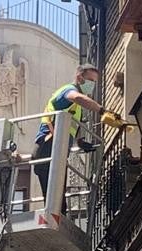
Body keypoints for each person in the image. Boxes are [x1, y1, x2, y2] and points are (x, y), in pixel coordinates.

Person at [33, 63, 118, 215]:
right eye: (90, 81)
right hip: (48, 143)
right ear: (79, 78)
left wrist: (80, 142)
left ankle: (55, 218)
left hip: (58, 147)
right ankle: (51, 219)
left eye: (94, 82)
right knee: (54, 195)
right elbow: (77, 97)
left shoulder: (76, 108)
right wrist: (102, 110)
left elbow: (72, 124)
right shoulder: (68, 90)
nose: (92, 85)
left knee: (57, 196)